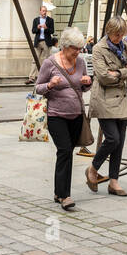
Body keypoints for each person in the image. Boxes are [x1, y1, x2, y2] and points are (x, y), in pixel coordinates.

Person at [35, 27, 93, 211]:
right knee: (65, 150)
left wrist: (87, 83)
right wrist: (50, 84)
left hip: (76, 114)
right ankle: (65, 196)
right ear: (65, 46)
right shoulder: (50, 63)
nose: (78, 52)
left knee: (67, 153)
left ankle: (58, 191)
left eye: (80, 48)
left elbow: (82, 87)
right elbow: (38, 87)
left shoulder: (81, 62)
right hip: (56, 115)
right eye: (75, 48)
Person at [84, 17, 127, 198]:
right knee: (113, 139)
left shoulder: (124, 46)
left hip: (121, 99)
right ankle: (93, 168)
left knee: (119, 142)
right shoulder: (99, 49)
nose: (120, 37)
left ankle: (114, 182)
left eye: (122, 34)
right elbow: (103, 76)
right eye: (117, 34)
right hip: (104, 99)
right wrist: (124, 72)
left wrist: (118, 73)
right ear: (109, 32)